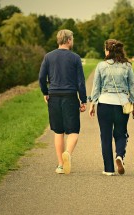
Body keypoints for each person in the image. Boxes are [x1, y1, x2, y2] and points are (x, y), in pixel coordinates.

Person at [88, 39, 134, 176]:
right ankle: (120, 156)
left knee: (105, 136)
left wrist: (92, 104)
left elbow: (96, 87)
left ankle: (108, 169)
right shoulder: (127, 66)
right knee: (121, 133)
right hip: (122, 104)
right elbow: (133, 88)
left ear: (107, 50)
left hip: (104, 104)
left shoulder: (101, 66)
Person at [39, 29, 87, 175]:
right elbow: (80, 81)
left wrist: (45, 93)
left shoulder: (48, 57)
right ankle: (68, 153)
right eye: (72, 39)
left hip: (54, 96)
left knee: (58, 131)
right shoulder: (75, 58)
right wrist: (83, 100)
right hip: (70, 97)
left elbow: (41, 78)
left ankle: (60, 165)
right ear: (68, 40)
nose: (72, 41)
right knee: (73, 131)